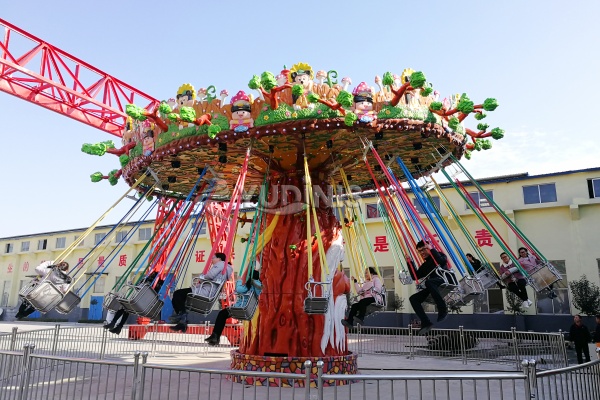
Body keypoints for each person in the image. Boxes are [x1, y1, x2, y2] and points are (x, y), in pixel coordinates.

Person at [170, 253, 233, 332]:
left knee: (178, 294)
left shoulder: (220, 265)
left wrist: (202, 277)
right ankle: (181, 320)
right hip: (207, 290)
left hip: (205, 291)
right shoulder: (225, 268)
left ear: (219, 259)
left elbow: (210, 275)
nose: (212, 260)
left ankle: (182, 317)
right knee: (177, 297)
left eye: (213, 258)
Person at [205, 269, 262, 346]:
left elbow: (238, 289)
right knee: (222, 314)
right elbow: (258, 292)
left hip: (240, 307)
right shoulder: (257, 285)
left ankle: (216, 336)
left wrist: (238, 281)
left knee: (222, 314)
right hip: (246, 308)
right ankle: (215, 336)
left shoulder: (250, 285)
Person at [408, 240, 450, 335]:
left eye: (424, 249)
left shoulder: (439, 255)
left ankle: (442, 308)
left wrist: (432, 249)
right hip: (432, 285)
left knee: (429, 282)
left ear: (429, 248)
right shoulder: (425, 265)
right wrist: (410, 263)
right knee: (413, 299)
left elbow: (441, 261)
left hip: (443, 280)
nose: (422, 252)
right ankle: (426, 322)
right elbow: (415, 276)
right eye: (420, 251)